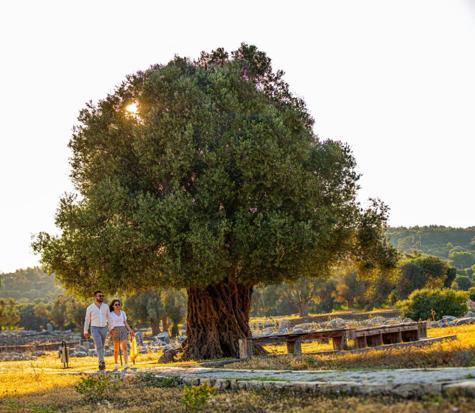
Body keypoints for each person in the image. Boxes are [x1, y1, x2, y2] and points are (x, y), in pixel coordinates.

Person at [84, 290, 109, 371]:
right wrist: (85, 330)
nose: (101, 297)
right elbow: (87, 320)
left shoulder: (106, 306)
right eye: (99, 296)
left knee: (102, 346)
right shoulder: (90, 308)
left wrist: (112, 328)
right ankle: (101, 362)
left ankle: (101, 360)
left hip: (104, 328)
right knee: (99, 345)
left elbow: (109, 318)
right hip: (94, 328)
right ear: (95, 297)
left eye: (102, 296)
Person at [109, 299, 135, 371]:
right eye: (116, 304)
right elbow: (110, 324)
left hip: (123, 330)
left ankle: (126, 364)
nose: (117, 306)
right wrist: (110, 331)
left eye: (119, 304)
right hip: (115, 330)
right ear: (113, 306)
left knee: (125, 347)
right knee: (116, 349)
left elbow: (125, 323)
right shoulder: (111, 314)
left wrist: (130, 330)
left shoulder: (123, 313)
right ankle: (116, 364)